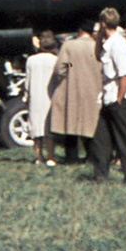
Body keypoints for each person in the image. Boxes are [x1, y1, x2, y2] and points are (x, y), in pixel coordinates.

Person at [91, 7, 126, 183]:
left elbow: (125, 75)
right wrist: (98, 38)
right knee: (101, 138)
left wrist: (119, 98)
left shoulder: (119, 44)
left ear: (103, 23)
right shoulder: (108, 43)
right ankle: (100, 174)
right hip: (108, 96)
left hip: (121, 98)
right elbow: (98, 56)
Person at [49, 21, 101, 164]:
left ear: (79, 30)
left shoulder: (69, 46)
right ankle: (92, 157)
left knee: (70, 124)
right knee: (91, 125)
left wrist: (72, 67)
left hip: (72, 89)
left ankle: (71, 158)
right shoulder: (98, 46)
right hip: (94, 90)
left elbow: (61, 68)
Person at [26, 30, 58, 167]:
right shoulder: (56, 60)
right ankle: (51, 156)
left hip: (35, 95)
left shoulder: (31, 60)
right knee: (48, 128)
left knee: (36, 128)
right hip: (50, 96)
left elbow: (27, 81)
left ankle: (38, 156)